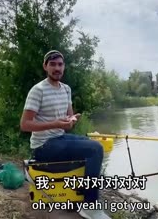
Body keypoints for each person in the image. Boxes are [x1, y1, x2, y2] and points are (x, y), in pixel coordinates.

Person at [20, 50, 107, 219]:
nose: (57, 68)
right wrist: (56, 124)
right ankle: (89, 204)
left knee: (91, 144)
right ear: (45, 66)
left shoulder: (66, 89)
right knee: (95, 148)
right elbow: (25, 125)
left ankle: (83, 192)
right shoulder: (38, 90)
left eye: (60, 64)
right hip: (43, 146)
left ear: (64, 67)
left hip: (59, 138)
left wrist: (72, 120)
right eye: (52, 64)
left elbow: (68, 121)